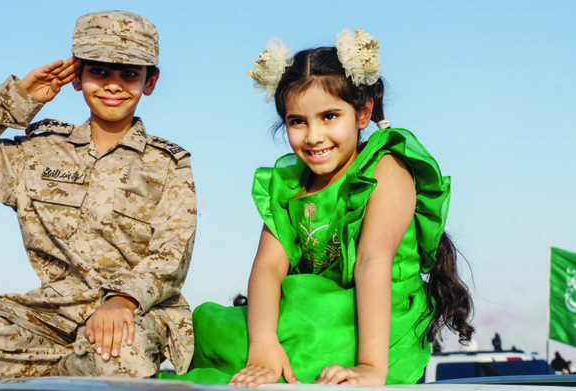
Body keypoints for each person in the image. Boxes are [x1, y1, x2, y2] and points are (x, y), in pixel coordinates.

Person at [165, 29, 473, 386]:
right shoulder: (291, 185)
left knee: (305, 331)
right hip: (312, 309)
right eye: (298, 121)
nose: (313, 136)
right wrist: (263, 345)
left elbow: (373, 261)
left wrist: (371, 367)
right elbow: (267, 266)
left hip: (373, 322)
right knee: (217, 329)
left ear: (363, 113)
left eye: (329, 116)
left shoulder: (386, 169)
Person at [0, 10, 197, 387]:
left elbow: (171, 254)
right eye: (99, 71)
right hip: (50, 315)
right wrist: (18, 100)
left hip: (133, 313)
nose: (113, 85)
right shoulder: (39, 152)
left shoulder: (168, 164)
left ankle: (28, 378)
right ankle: (69, 373)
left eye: (129, 74)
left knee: (123, 359)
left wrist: (122, 302)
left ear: (151, 81)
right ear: (77, 75)